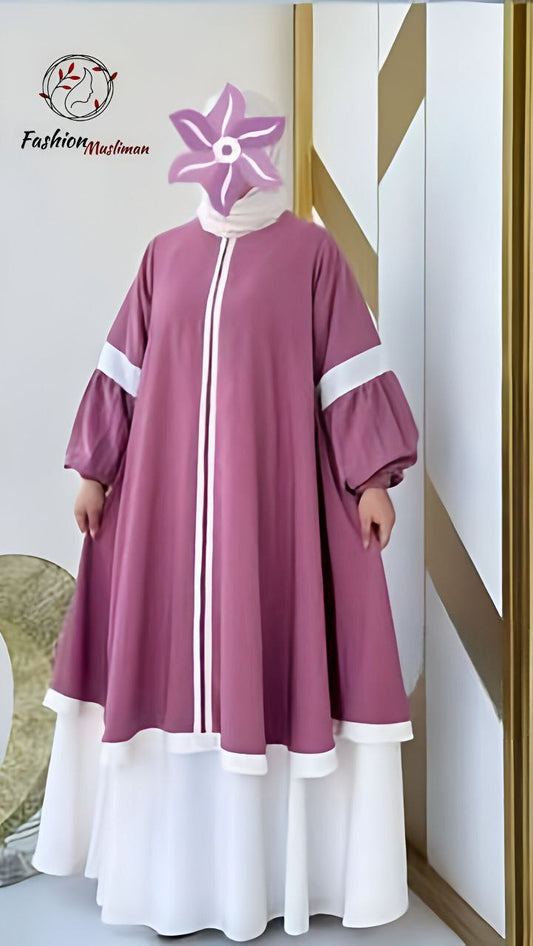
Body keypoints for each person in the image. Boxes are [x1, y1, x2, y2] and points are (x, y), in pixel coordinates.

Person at [32, 83, 419, 940]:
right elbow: (124, 369)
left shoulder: (310, 254)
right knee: (164, 660)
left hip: (272, 512)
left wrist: (371, 479)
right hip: (162, 511)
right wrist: (93, 469)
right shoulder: (164, 255)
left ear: (262, 156)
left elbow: (347, 370)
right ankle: (170, 880)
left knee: (268, 648)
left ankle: (270, 876)